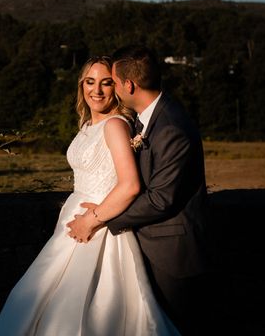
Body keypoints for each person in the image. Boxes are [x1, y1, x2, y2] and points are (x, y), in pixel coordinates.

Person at [0, 56, 180, 335]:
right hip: (73, 221)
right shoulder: (87, 126)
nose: (97, 90)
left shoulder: (115, 126)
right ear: (81, 85)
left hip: (98, 227)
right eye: (90, 82)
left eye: (106, 83)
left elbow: (129, 185)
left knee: (81, 307)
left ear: (116, 88)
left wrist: (91, 220)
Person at [67, 45, 210, 336]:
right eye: (91, 82)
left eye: (112, 83)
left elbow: (159, 199)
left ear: (128, 85)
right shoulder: (146, 119)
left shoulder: (170, 126)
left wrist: (99, 218)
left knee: (166, 327)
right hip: (143, 239)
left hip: (171, 251)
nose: (109, 90)